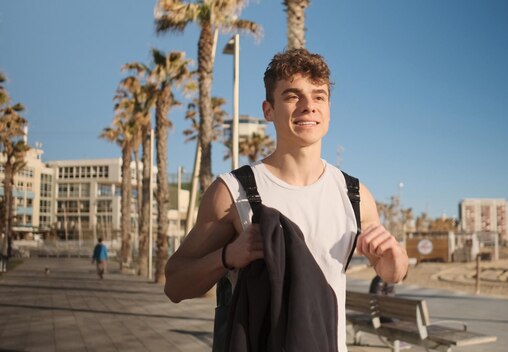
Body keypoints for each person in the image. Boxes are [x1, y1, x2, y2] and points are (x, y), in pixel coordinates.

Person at [164, 48, 409, 351]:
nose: (309, 107)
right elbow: (175, 284)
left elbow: (389, 273)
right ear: (268, 110)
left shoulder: (355, 195)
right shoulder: (233, 191)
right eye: (293, 97)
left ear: (329, 108)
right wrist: (228, 255)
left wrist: (396, 262)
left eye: (319, 97)